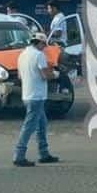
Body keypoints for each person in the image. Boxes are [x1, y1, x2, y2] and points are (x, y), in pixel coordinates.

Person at [13, 32, 60, 167]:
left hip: (27, 94)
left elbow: (20, 76)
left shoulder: (22, 55)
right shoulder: (39, 55)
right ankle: (19, 155)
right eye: (44, 44)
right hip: (37, 96)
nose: (44, 47)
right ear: (39, 43)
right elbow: (46, 75)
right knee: (29, 126)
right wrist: (56, 74)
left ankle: (44, 153)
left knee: (41, 125)